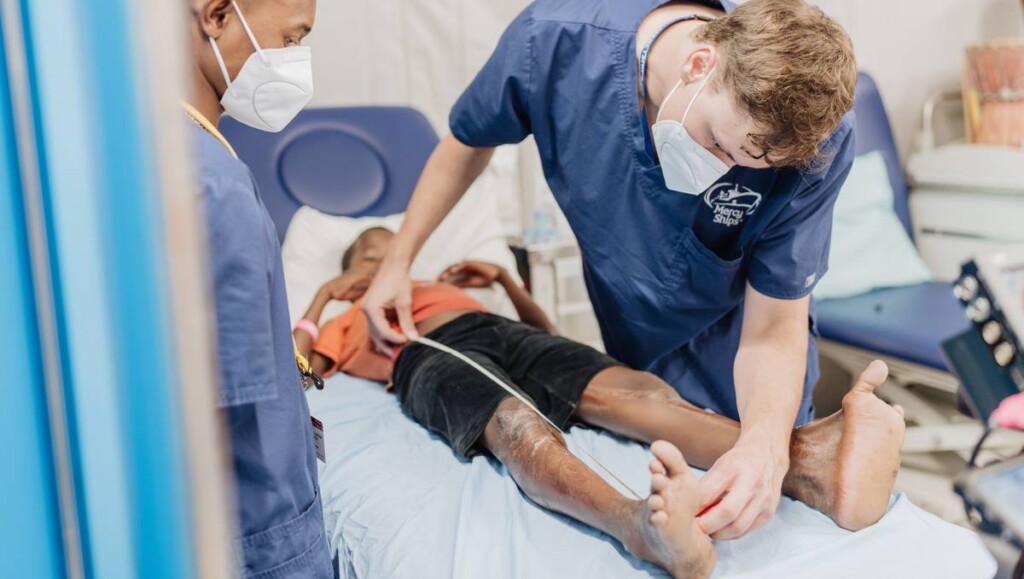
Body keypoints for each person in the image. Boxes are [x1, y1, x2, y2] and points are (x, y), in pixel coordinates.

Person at [361, 0, 863, 540]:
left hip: (743, 338)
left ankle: (813, 464)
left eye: (750, 166)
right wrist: (396, 263)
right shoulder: (553, 43)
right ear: (699, 64)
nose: (723, 172)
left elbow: (773, 326)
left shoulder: (821, 138)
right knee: (618, 420)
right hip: (634, 329)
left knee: (765, 477)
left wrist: (765, 445)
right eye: (718, 143)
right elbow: (468, 141)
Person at [295, 228, 905, 578]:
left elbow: (543, 328)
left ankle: (809, 466)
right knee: (517, 425)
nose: (382, 262)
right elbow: (303, 371)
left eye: (391, 251)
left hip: (504, 331)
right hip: (427, 352)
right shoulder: (350, 316)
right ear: (350, 272)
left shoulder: (445, 286)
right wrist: (325, 297)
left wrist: (504, 281)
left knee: (638, 393)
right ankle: (638, 526)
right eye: (368, 257)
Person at [185, 0, 333, 576]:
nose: (296, 60)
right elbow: (227, 410)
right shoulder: (215, 186)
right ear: (217, 15)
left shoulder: (179, 153)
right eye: (291, 39)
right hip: (262, 536)